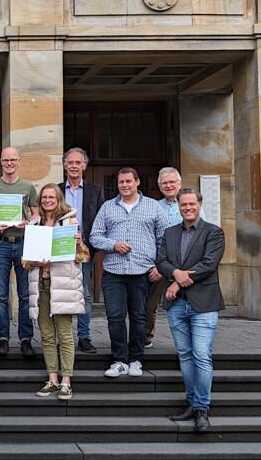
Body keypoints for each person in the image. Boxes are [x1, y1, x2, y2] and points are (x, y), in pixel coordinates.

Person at [156, 188, 224, 432]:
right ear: (179, 207)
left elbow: (208, 265)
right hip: (176, 306)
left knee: (201, 356)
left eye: (191, 204)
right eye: (183, 205)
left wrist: (175, 281)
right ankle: (192, 403)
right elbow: (161, 261)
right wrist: (174, 273)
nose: (187, 208)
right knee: (185, 356)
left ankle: (202, 409)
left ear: (199, 205)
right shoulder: (170, 232)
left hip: (203, 304)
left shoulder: (214, 232)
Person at [90, 167, 168, 378]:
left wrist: (159, 267)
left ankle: (135, 359)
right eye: (121, 182)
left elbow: (164, 240)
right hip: (113, 272)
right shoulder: (107, 207)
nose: (124, 185)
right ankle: (119, 360)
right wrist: (113, 244)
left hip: (143, 272)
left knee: (139, 317)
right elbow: (95, 236)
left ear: (137, 182)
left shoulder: (152, 206)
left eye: (128, 181)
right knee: (115, 317)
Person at [25, 184, 87, 401]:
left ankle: (66, 381)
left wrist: (79, 245)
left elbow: (82, 258)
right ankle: (52, 379)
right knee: (47, 335)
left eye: (52, 197)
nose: (48, 200)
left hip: (63, 285)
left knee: (65, 335)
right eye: (44, 197)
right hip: (41, 285)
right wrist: (34, 260)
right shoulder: (34, 223)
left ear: (58, 198)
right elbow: (25, 262)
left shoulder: (70, 222)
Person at [0, 146, 38, 357]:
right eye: (6, 160)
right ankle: (3, 339)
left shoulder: (28, 186)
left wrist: (29, 222)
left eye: (12, 160)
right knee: (1, 295)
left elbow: (36, 212)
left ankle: (26, 339)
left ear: (19, 161)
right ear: (0, 161)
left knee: (25, 295)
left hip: (23, 242)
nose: (9, 163)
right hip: (0, 243)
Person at [145, 167, 206, 349]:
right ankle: (146, 338)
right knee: (150, 304)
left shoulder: (192, 207)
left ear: (179, 184)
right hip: (161, 263)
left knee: (189, 303)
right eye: (165, 183)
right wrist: (157, 265)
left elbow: (199, 237)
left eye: (172, 182)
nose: (169, 185)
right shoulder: (155, 206)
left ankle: (192, 341)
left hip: (187, 265)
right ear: (159, 186)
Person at [57, 147, 104, 354]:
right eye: (70, 162)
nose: (74, 166)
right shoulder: (56, 190)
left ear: (84, 166)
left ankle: (84, 336)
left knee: (83, 293)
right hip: (58, 251)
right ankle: (63, 338)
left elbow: (102, 220)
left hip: (84, 252)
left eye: (78, 162)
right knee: (60, 294)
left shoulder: (96, 190)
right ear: (64, 166)